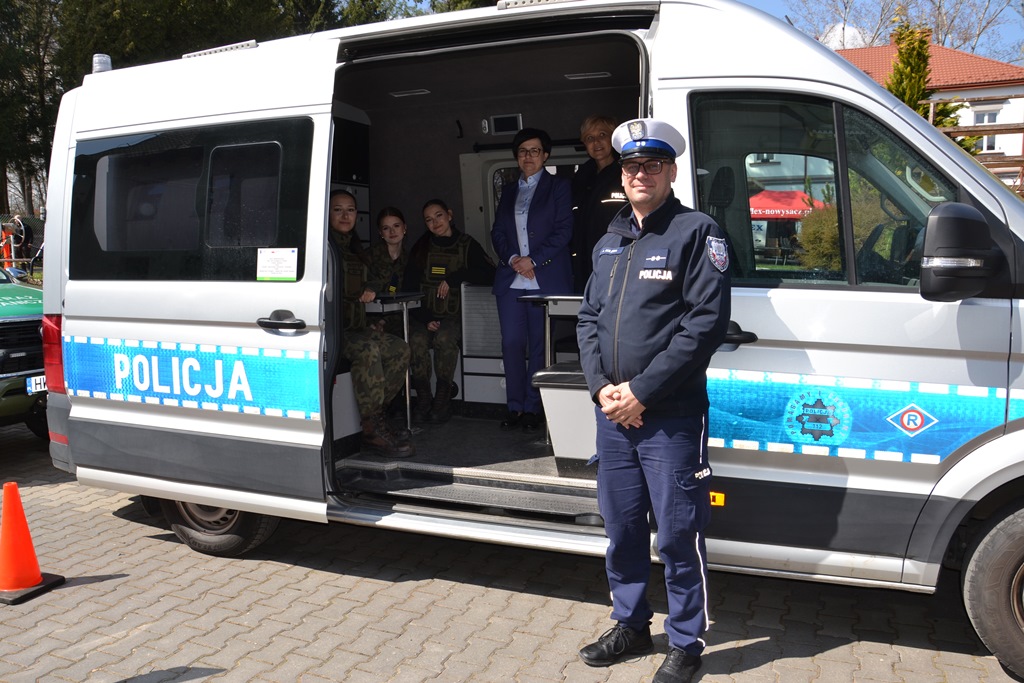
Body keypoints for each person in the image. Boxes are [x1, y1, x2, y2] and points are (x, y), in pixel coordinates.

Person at [575, 119, 731, 683]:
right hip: (614, 415)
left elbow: (705, 325)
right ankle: (631, 623)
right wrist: (601, 388)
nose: (641, 174)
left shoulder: (696, 232)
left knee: (677, 532)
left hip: (670, 416)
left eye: (653, 166)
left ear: (671, 172)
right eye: (632, 167)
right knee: (620, 528)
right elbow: (588, 319)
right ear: (622, 175)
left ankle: (687, 641)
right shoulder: (610, 240)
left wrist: (641, 391)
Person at [491, 128, 573, 432]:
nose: (528, 156)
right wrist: (513, 259)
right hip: (512, 279)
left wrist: (534, 260)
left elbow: (564, 230)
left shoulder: (559, 187)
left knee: (540, 346)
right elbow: (498, 232)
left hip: (544, 278)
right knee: (512, 343)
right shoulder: (509, 190)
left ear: (545, 155)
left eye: (535, 150)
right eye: (523, 151)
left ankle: (534, 408)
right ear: (517, 156)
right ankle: (514, 407)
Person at [327, 189, 413, 457]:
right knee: (368, 351)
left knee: (400, 349)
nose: (345, 216)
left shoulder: (355, 249)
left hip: (355, 327)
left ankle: (374, 419)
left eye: (350, 210)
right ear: (327, 214)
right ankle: (374, 431)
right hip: (332, 332)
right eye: (338, 210)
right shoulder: (323, 248)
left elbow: (373, 277)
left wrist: (372, 287)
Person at [404, 198, 495, 423]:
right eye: (429, 220)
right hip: (424, 315)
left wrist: (456, 277)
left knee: (444, 338)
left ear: (450, 215)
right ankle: (424, 398)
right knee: (416, 340)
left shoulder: (467, 244)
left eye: (439, 216)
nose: (435, 223)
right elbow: (408, 288)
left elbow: (489, 274)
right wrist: (426, 319)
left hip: (455, 316)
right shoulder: (421, 248)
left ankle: (442, 400)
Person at [571, 115, 627, 293]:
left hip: (619, 263)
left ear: (613, 138)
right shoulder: (580, 179)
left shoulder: (628, 173)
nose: (596, 142)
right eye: (589, 138)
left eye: (602, 135)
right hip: (584, 265)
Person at [366, 206, 410, 338]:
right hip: (369, 321)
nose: (392, 231)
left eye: (396, 225)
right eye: (386, 228)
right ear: (380, 232)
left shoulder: (410, 259)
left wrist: (384, 322)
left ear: (404, 228)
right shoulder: (369, 256)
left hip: (400, 319)